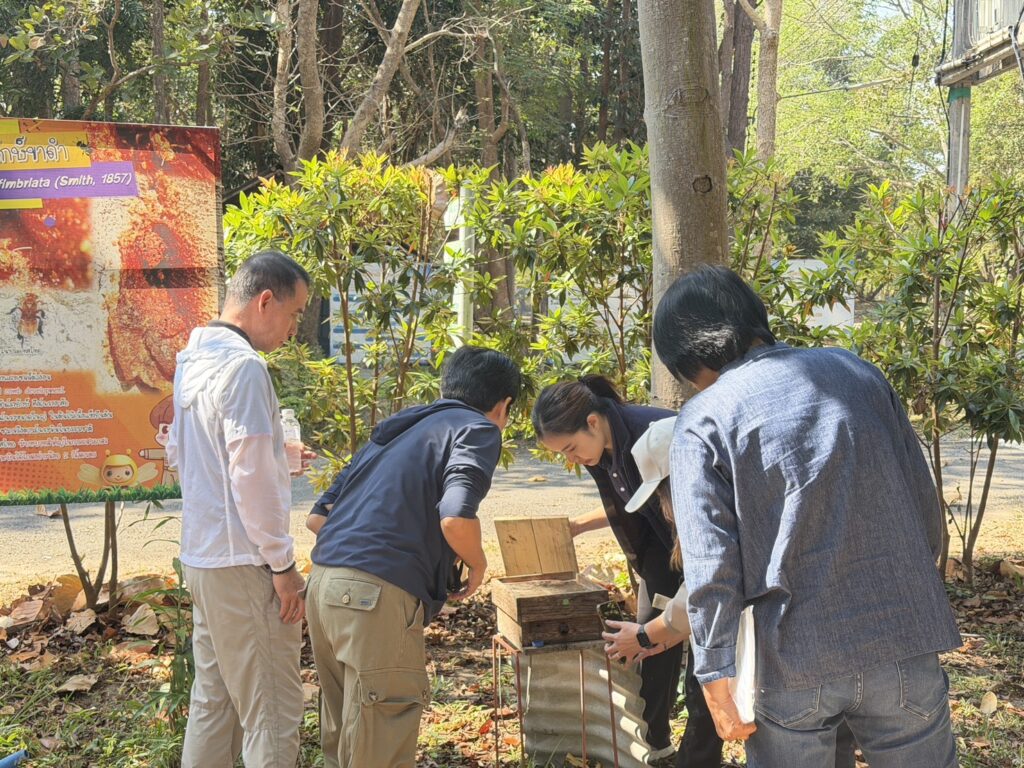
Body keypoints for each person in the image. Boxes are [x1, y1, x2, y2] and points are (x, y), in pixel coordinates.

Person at [652, 265, 962, 768]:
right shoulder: (857, 372)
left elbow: (712, 567)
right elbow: (924, 511)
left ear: (690, 361)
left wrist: (715, 669)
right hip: (901, 639)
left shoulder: (704, 419)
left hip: (791, 658)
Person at [304, 345, 522, 768]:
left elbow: (318, 518)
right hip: (374, 597)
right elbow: (455, 517)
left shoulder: (398, 427)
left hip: (323, 584)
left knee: (344, 740)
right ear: (503, 405)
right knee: (380, 743)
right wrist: (477, 563)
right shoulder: (478, 429)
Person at [603, 417, 859, 768]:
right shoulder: (760, 484)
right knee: (834, 746)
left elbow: (705, 592)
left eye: (663, 495)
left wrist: (647, 634)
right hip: (840, 643)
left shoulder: (716, 510)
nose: (665, 511)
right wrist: (666, 633)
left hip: (785, 662)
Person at [167, 249, 312, 768]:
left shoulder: (193, 359)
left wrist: (278, 453)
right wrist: (282, 565)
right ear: (265, 301)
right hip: (245, 563)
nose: (294, 329)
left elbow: (188, 454)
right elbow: (251, 478)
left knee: (216, 703)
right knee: (272, 711)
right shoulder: (245, 368)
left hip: (204, 559)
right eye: (295, 314)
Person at [532, 379, 720, 767]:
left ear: (592, 422)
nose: (573, 460)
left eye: (571, 448)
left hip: (704, 547)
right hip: (664, 547)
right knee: (649, 635)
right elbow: (629, 507)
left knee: (703, 650)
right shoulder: (600, 452)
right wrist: (578, 526)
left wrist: (659, 630)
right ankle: (654, 741)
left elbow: (709, 572)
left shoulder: (655, 437)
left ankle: (699, 754)